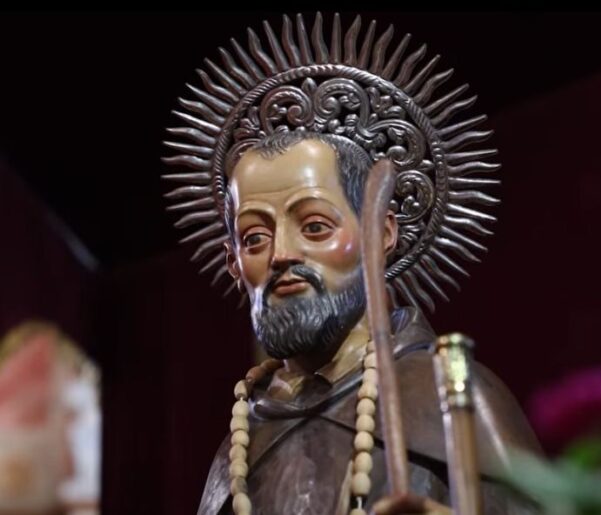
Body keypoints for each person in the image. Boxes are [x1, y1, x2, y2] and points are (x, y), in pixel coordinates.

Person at [162, 13, 542, 515]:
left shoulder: (451, 402)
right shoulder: (240, 445)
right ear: (234, 265)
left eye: (315, 226)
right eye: (254, 238)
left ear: (381, 235)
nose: (281, 253)